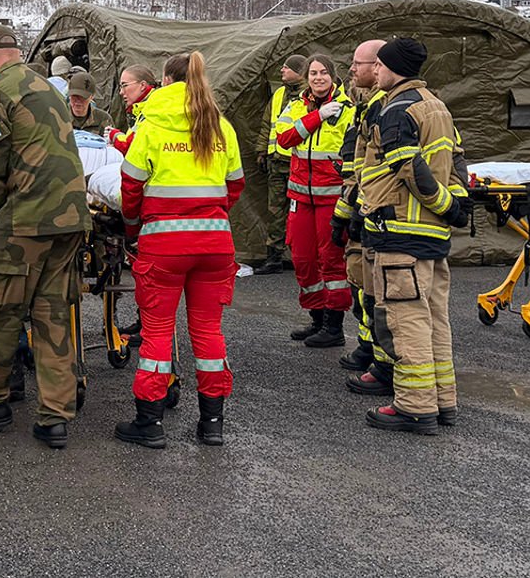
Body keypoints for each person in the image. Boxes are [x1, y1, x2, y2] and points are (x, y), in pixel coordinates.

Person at [0, 25, 92, 450]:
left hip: (25, 220)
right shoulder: (48, 88)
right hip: (69, 220)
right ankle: (55, 416)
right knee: (52, 316)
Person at [112, 52, 244, 448]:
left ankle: (149, 423)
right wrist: (210, 217)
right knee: (208, 332)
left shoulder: (152, 125)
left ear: (165, 82)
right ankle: (213, 423)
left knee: (156, 332)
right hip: (215, 244)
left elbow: (131, 186)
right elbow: (234, 185)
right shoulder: (220, 126)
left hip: (164, 246)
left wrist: (134, 228)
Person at [356, 38, 470, 435]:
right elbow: (457, 162)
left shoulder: (397, 110)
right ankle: (442, 402)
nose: (375, 72)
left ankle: (415, 407)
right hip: (432, 237)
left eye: (380, 66)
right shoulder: (437, 106)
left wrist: (441, 203)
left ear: (391, 68)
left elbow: (409, 169)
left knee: (407, 323)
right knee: (435, 320)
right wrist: (455, 205)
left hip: (401, 232)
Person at [273, 54, 355, 347]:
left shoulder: (348, 110)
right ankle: (317, 318)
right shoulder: (296, 106)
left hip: (331, 198)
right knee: (303, 259)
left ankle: (334, 326)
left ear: (333, 75)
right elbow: (283, 139)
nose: (318, 78)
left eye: (323, 73)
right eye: (313, 73)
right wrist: (317, 117)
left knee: (332, 261)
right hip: (300, 196)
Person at [334, 39, 387, 375]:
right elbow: (353, 169)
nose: (352, 70)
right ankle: (367, 345)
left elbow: (373, 171)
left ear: (378, 67)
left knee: (373, 290)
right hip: (358, 207)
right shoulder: (364, 106)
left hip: (373, 213)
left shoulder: (384, 108)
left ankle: (376, 353)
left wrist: (353, 212)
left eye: (359, 64)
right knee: (359, 282)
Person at [251, 55, 308, 276]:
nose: (282, 70)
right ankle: (274, 257)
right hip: (277, 162)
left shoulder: (310, 95)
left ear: (299, 71)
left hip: (299, 163)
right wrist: (261, 150)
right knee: (275, 211)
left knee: (300, 214)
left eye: (287, 67)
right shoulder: (279, 95)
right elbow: (268, 124)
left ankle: (301, 257)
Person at [107, 65, 159, 154]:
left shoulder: (152, 109)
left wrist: (113, 134)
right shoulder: (140, 108)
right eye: (120, 87)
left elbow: (128, 146)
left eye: (125, 85)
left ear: (142, 85)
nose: (121, 92)